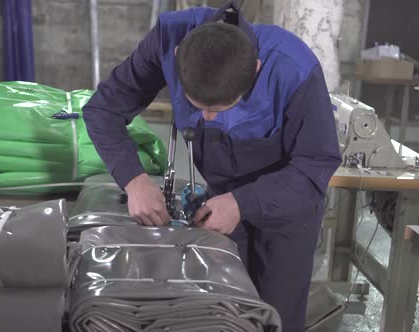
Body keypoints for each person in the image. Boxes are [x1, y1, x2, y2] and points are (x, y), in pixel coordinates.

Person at [82, 1, 341, 331]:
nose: (207, 119)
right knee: (219, 310)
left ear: (257, 68)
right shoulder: (167, 38)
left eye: (221, 109)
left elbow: (316, 163)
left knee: (276, 316)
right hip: (219, 196)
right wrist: (135, 182)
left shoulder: (293, 68)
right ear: (176, 57)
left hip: (287, 203)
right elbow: (103, 110)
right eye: (196, 106)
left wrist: (241, 202)